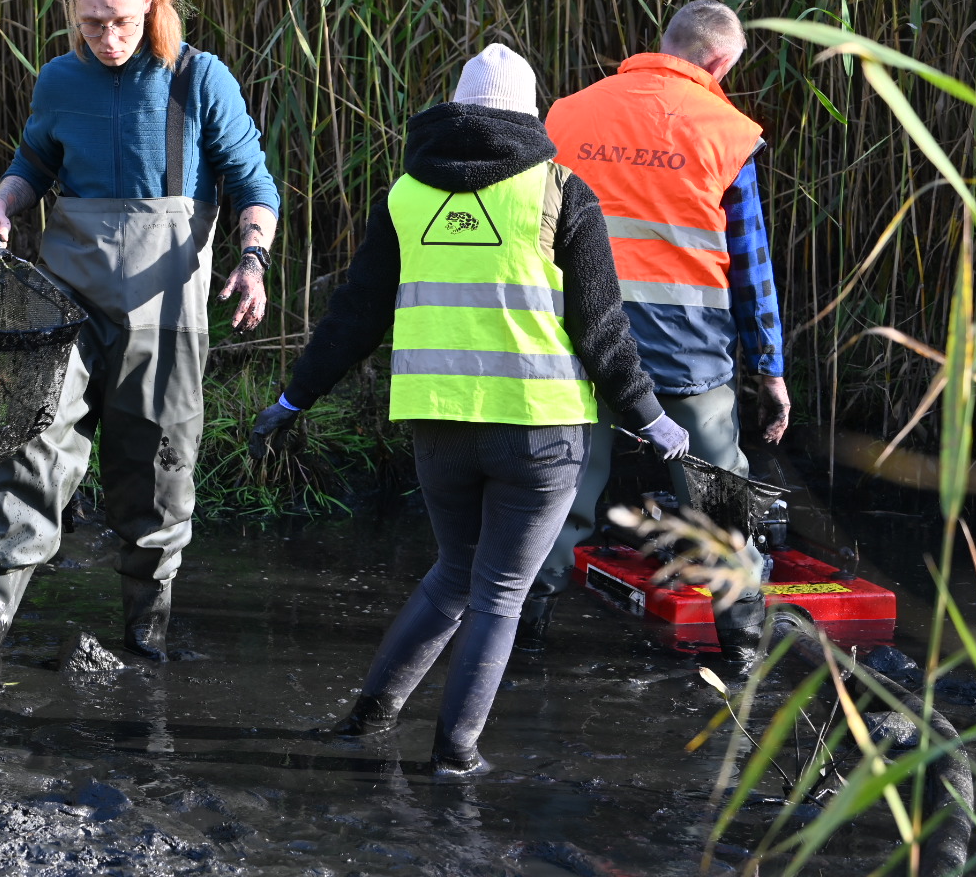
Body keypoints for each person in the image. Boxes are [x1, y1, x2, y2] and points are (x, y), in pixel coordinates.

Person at [248, 44, 681, 775]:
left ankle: (367, 719)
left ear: (455, 109)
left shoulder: (407, 195)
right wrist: (650, 415)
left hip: (439, 423)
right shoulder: (560, 191)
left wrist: (294, 397)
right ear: (529, 113)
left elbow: (355, 316)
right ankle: (456, 756)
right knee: (501, 593)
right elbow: (602, 330)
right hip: (538, 433)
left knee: (455, 573)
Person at [0, 0, 281, 693]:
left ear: (151, 3)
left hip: (167, 309)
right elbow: (34, 162)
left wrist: (251, 262)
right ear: (73, 12)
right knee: (29, 442)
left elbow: (255, 185)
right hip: (69, 302)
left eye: (122, 20)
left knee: (155, 467)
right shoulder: (61, 80)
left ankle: (145, 640)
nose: (109, 37)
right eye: (92, 22)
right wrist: (2, 201)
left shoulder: (198, 80)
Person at [517, 0, 791, 662]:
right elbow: (750, 267)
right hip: (686, 347)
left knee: (565, 492)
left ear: (665, 43)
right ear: (720, 62)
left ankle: (520, 641)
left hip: (575, 334)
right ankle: (744, 648)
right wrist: (771, 369)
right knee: (719, 497)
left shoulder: (569, 113)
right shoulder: (728, 132)